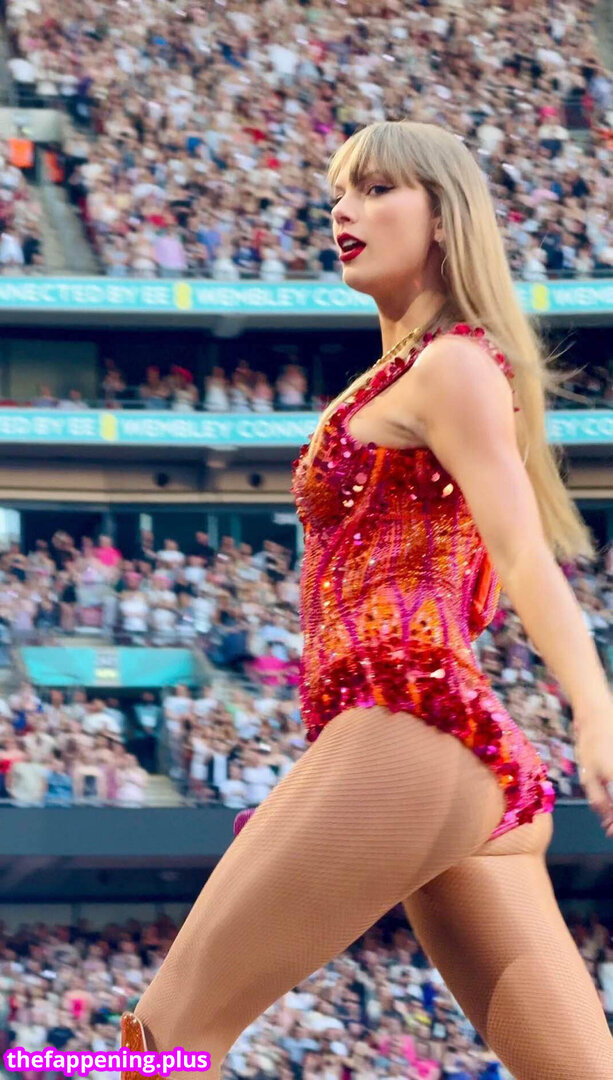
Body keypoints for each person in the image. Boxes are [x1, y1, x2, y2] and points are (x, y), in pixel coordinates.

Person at [120, 121, 613, 1079]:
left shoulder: (452, 365)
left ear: (444, 218)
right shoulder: (404, 375)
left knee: (160, 1044)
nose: (344, 209)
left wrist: (595, 711)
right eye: (339, 191)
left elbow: (521, 552)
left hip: (410, 725)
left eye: (378, 189)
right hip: (454, 754)